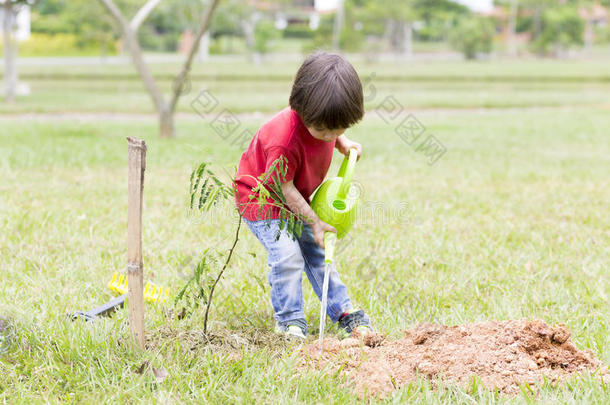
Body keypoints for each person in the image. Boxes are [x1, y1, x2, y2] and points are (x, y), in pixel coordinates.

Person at [234, 51, 372, 340]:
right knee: (288, 255)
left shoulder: (325, 122)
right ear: (301, 108)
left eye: (339, 128)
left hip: (297, 197)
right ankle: (290, 322)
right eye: (322, 129)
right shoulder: (283, 141)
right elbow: (283, 188)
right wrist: (314, 221)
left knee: (319, 253)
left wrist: (343, 143)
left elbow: (331, 131)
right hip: (264, 200)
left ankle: (343, 311)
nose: (327, 136)